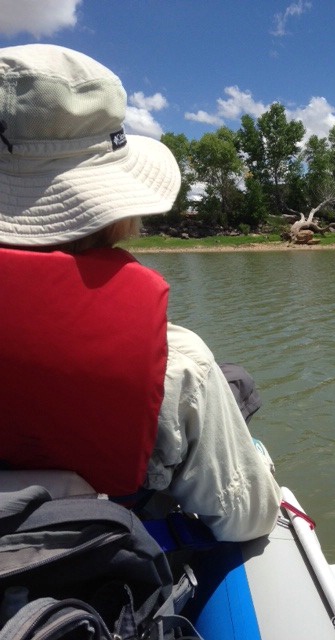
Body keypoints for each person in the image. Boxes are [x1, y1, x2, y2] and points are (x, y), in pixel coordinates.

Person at [0, 44, 281, 542]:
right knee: (229, 386)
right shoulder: (179, 362)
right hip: (95, 562)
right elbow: (247, 518)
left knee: (230, 382)